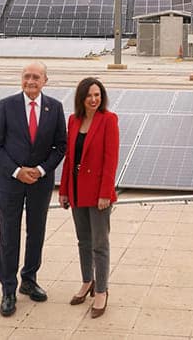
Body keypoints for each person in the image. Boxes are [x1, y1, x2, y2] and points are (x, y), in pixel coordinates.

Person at [0, 61, 66, 317]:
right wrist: (17, 171)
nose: (30, 81)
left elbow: (60, 146)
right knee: (9, 236)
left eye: (36, 77)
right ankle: (8, 288)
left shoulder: (55, 107)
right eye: (26, 76)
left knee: (36, 233)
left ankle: (29, 279)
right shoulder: (6, 106)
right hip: (10, 182)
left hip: (40, 183)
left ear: (45, 80)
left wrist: (41, 171)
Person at [59, 77, 119, 319]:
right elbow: (69, 158)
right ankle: (87, 282)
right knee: (83, 241)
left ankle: (102, 290)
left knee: (99, 244)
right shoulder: (73, 120)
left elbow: (110, 159)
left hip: (98, 194)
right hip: (76, 190)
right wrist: (63, 190)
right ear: (81, 99)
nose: (94, 99)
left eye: (97, 95)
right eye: (89, 96)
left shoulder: (109, 120)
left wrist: (105, 192)